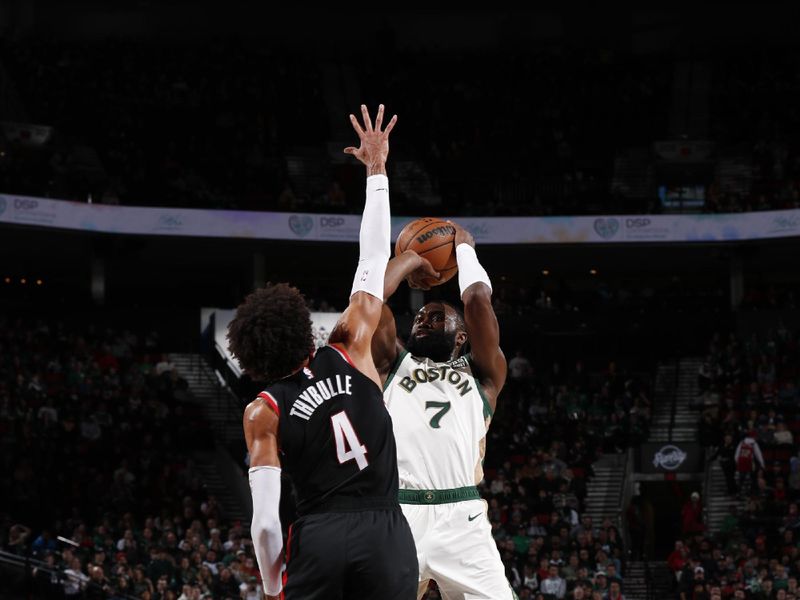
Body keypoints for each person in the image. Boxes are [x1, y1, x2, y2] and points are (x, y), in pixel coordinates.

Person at [228, 104, 430, 600]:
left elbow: (265, 525)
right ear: (303, 326)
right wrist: (377, 171)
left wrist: (276, 583)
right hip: (386, 531)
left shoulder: (263, 410)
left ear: (251, 358)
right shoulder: (350, 347)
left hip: (320, 538)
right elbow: (370, 257)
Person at [372, 216, 513, 598]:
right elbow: (369, 302)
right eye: (419, 317)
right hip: (398, 512)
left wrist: (464, 248)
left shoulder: (483, 373)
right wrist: (408, 262)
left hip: (461, 515)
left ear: (462, 335)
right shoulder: (392, 363)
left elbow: (477, 299)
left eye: (436, 317)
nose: (423, 321)